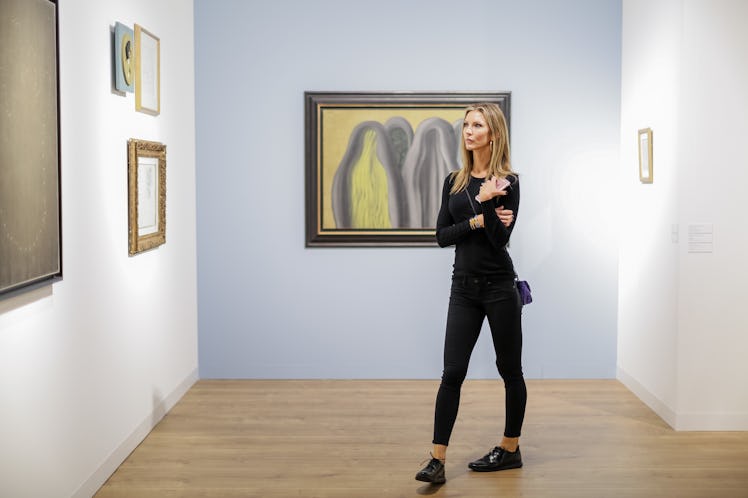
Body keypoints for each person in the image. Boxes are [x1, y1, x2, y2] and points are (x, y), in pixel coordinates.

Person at [415, 102, 526, 485]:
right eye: (466, 124)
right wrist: (481, 211)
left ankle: (510, 449)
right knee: (452, 372)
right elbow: (442, 237)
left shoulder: (509, 181)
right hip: (463, 287)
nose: (468, 130)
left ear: (492, 133)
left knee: (510, 370)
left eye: (477, 125)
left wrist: (494, 201)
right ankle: (437, 459)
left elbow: (500, 241)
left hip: (499, 287)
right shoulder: (454, 181)